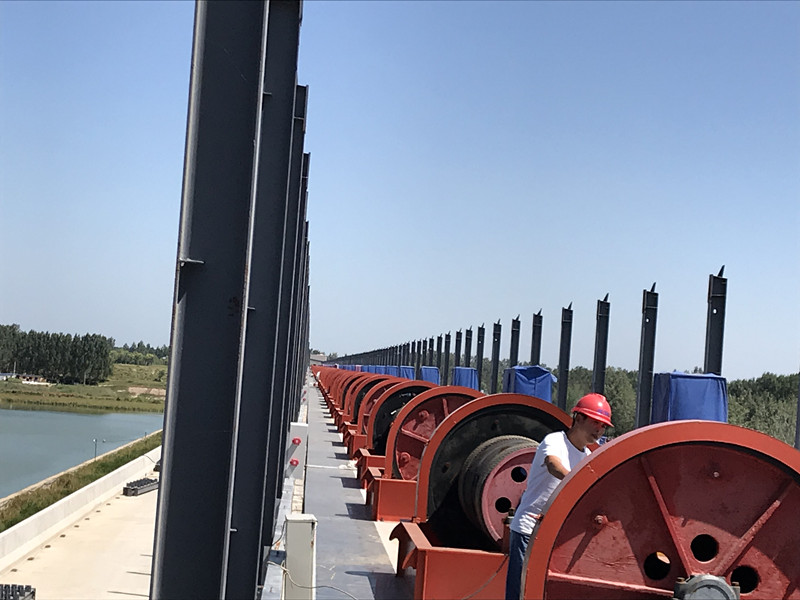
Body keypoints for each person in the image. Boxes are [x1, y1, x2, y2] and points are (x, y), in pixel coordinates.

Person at [505, 393, 613, 600]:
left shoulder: (587, 457)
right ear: (578, 418)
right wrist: (576, 481)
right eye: (595, 422)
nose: (599, 430)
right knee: (520, 593)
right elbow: (553, 465)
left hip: (554, 536)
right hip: (529, 530)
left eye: (603, 426)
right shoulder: (555, 441)